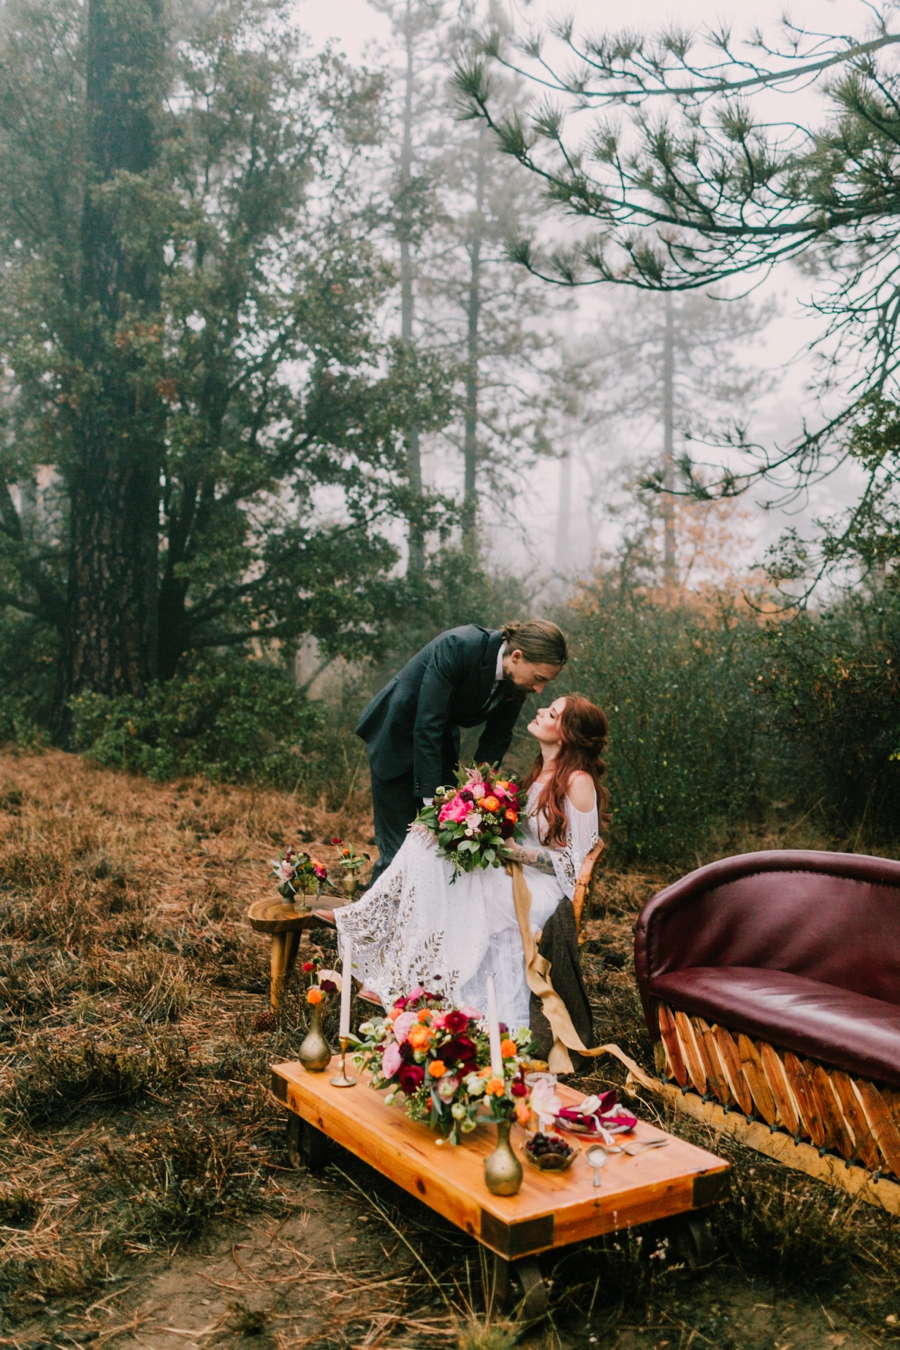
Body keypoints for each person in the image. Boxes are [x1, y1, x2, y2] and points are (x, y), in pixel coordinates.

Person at [335, 693, 610, 1035]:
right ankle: (406, 972)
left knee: (452, 872)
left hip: (545, 893)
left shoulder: (578, 781)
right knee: (429, 844)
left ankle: (417, 979)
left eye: (551, 712)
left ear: (566, 733)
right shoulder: (542, 771)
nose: (540, 710)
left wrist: (510, 851)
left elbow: (575, 866)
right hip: (516, 873)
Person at [357, 619, 568, 883]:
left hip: (439, 742)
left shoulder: (517, 681)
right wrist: (431, 804)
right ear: (517, 656)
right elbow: (427, 724)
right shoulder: (458, 646)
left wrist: (475, 792)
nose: (540, 689)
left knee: (440, 849)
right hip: (397, 737)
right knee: (399, 849)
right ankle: (375, 922)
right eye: (539, 679)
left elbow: (498, 736)